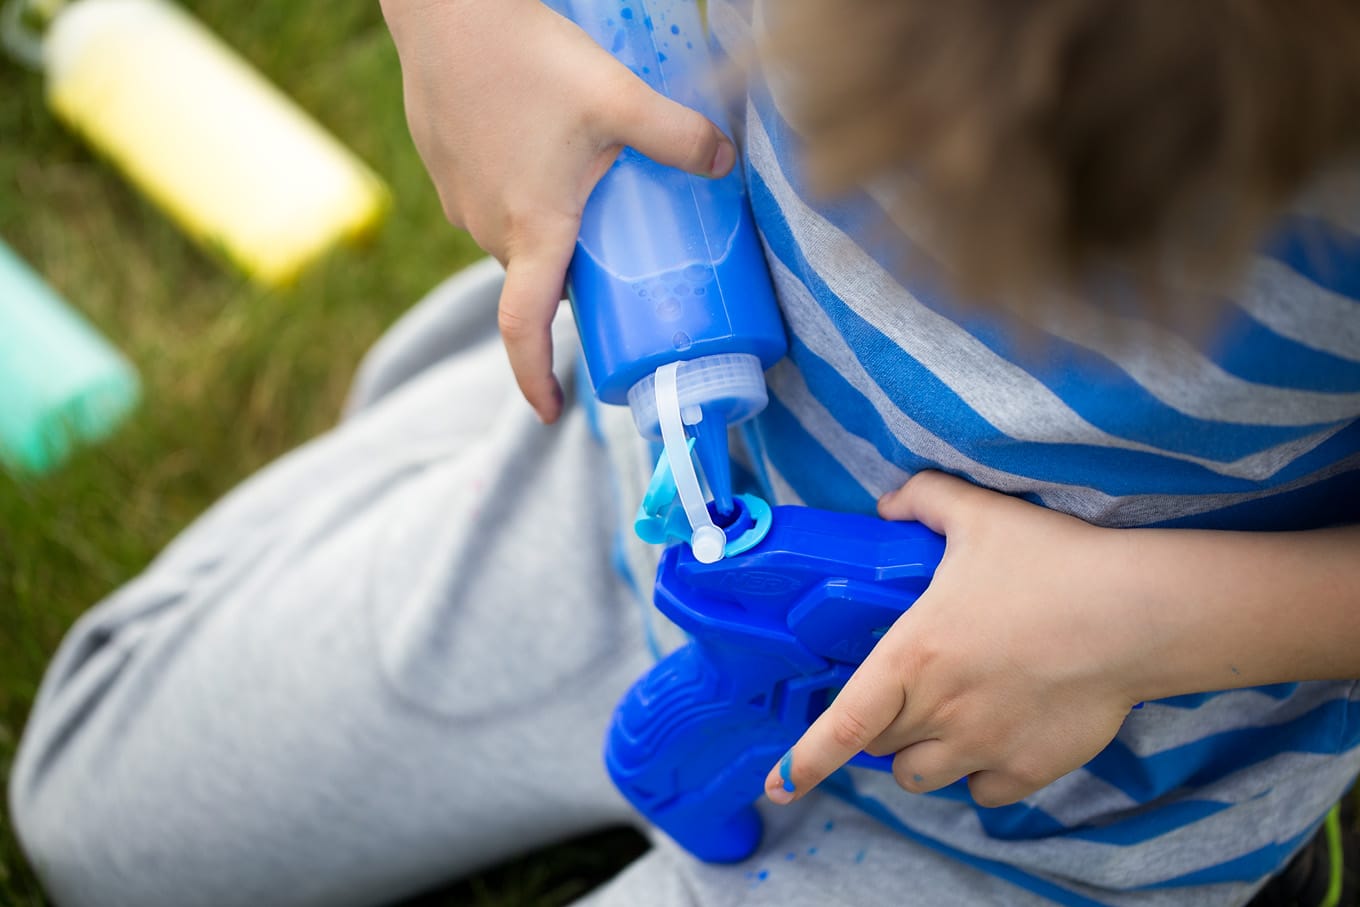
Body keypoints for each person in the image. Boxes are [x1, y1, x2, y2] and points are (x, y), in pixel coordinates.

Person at [9, 0, 1360, 905]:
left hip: (1069, 776)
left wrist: (1153, 627)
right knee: (92, 817)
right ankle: (546, 355)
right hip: (650, 496)